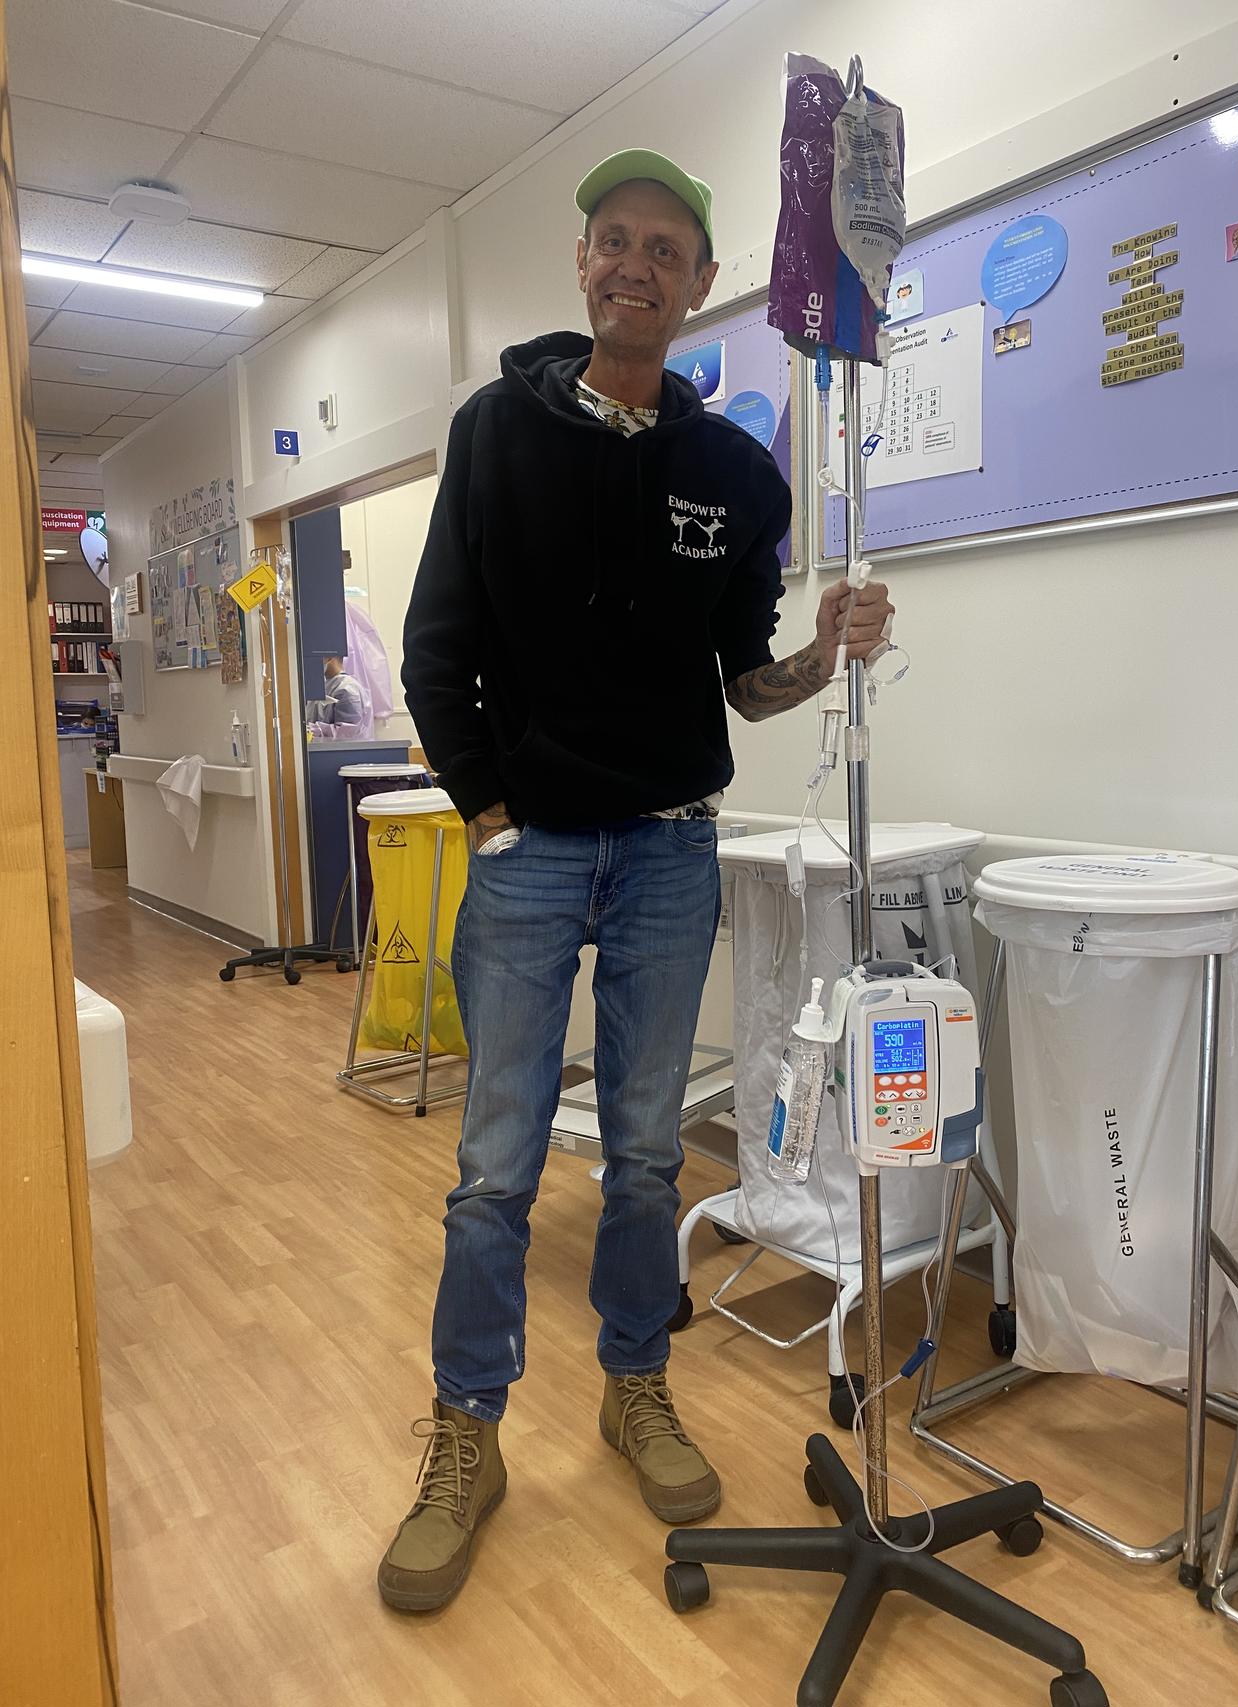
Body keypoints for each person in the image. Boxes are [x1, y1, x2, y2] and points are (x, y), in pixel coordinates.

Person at [382, 149, 893, 1614]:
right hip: (529, 854)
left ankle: (633, 1383)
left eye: (667, 251)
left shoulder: (735, 475)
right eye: (616, 241)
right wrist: (490, 813)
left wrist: (825, 653)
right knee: (495, 1165)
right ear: (584, 262)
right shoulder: (495, 432)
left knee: (652, 1155)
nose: (636, 267)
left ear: (700, 284)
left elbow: (746, 684)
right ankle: (466, 1430)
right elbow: (436, 648)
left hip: (671, 848)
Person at [306, 654, 370, 737]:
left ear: (329, 657)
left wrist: (310, 731)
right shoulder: (323, 685)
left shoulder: (347, 689)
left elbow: (347, 733)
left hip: (340, 746)